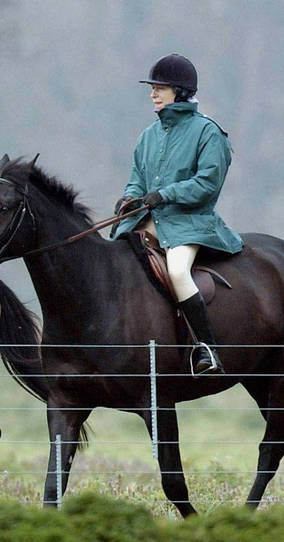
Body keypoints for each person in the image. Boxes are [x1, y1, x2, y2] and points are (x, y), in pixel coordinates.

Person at [112, 54, 243, 376]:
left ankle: (207, 349)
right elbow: (137, 177)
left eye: (160, 88)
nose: (153, 94)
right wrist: (130, 197)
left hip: (189, 223)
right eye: (153, 88)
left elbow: (207, 184)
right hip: (146, 220)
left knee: (178, 273)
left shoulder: (208, 133)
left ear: (180, 92)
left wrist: (165, 194)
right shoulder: (148, 136)